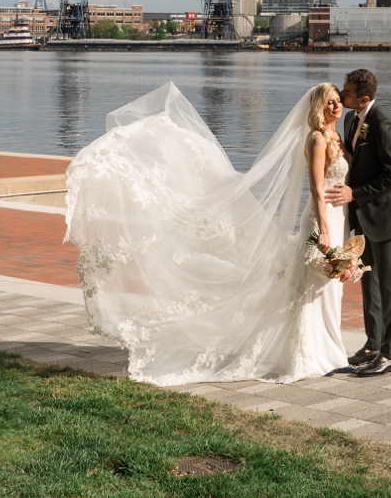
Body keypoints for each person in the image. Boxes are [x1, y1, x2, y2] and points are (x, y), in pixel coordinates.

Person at [64, 81, 358, 385]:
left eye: (338, 101)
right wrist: (323, 228)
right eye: (329, 102)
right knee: (312, 289)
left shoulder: (338, 136)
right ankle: (312, 356)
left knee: (330, 288)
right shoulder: (317, 140)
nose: (335, 106)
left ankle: (332, 354)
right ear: (318, 107)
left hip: (340, 219)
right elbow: (315, 189)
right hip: (323, 221)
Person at [324, 68, 391, 377]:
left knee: (390, 287)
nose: (341, 94)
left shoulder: (385, 125)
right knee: (368, 280)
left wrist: (355, 193)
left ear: (363, 98)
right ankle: (372, 345)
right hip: (363, 215)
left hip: (387, 217)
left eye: (347, 92)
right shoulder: (352, 120)